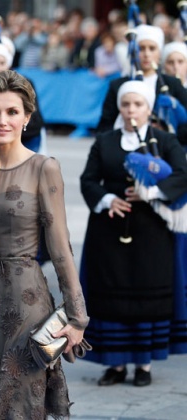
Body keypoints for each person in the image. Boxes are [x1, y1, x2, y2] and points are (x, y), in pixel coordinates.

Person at [0, 70, 89, 418]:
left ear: (27, 117)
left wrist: (77, 317)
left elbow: (60, 247)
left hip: (26, 301)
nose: (2, 120)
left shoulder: (44, 167)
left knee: (19, 400)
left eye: (12, 112)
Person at [80, 80, 187, 387]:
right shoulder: (105, 141)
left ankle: (143, 365)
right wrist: (106, 199)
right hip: (109, 231)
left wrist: (151, 192)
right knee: (111, 296)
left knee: (147, 296)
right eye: (126, 105)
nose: (131, 111)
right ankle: (114, 364)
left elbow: (182, 175)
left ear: (148, 108)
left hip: (150, 233)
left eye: (137, 105)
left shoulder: (165, 141)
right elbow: (89, 179)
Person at [97, 24, 187, 144]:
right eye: (141, 48)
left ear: (159, 53)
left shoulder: (172, 84)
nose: (146, 54)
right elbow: (105, 126)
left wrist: (166, 131)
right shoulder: (118, 85)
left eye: (152, 48)